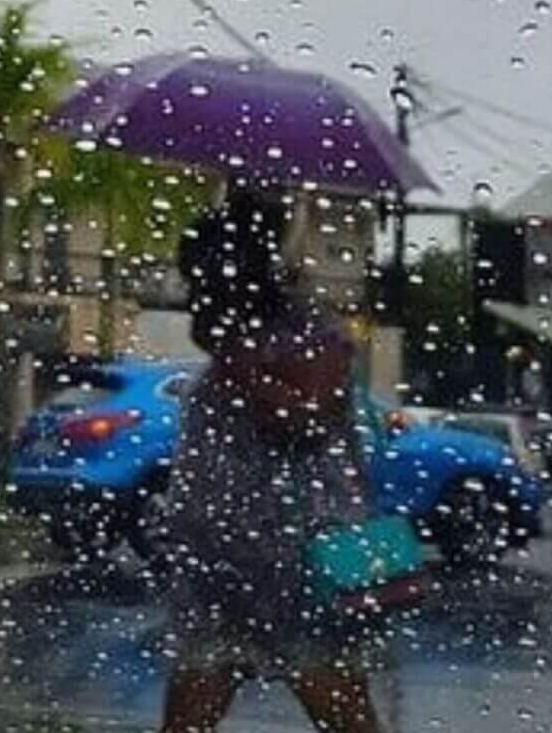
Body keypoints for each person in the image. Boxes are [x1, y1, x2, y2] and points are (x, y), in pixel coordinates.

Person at [158, 189, 384, 733]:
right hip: (217, 568)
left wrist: (238, 361)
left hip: (301, 564)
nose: (193, 297)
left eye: (202, 284)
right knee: (190, 710)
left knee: (341, 706)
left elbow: (308, 417)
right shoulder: (228, 348)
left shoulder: (308, 332)